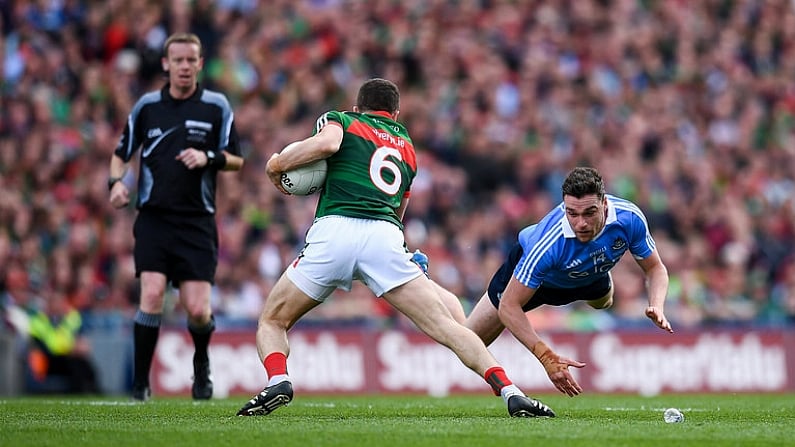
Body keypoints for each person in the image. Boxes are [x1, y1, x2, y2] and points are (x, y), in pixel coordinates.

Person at [236, 78, 554, 418]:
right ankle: (510, 390)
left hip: (335, 230)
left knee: (272, 320)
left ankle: (278, 380)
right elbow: (399, 212)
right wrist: (400, 252)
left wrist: (277, 164)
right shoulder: (406, 146)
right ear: (396, 114)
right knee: (448, 327)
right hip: (384, 238)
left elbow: (327, 145)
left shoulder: (343, 120)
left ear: (358, 107)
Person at [109, 32, 244, 401]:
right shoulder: (147, 107)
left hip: (197, 221)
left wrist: (208, 158)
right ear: (166, 64)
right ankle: (140, 385)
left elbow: (236, 158)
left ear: (200, 64)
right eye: (178, 60)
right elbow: (121, 152)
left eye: (191, 60)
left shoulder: (216, 106)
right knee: (151, 295)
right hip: (154, 218)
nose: (184, 66)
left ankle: (201, 367)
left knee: (198, 310)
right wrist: (116, 183)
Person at [459, 166, 673, 397]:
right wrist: (547, 357)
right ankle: (445, 301)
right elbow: (509, 307)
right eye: (572, 213)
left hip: (590, 276)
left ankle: (597, 272)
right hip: (538, 283)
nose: (580, 223)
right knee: (467, 344)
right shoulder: (547, 244)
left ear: (604, 204)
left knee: (604, 303)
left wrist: (657, 305)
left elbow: (655, 268)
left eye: (589, 213)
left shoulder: (629, 218)